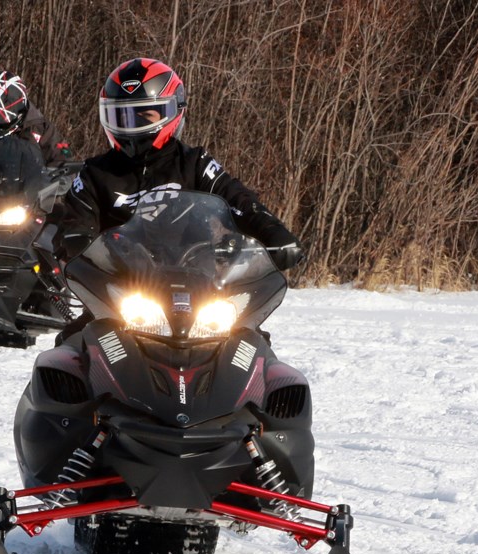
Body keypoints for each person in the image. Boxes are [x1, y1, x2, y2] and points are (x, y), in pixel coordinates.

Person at [50, 58, 304, 343]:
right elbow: (75, 220)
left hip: (200, 292)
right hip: (121, 295)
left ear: (173, 112)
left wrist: (273, 234)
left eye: (145, 116)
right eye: (123, 117)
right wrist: (76, 243)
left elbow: (240, 201)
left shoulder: (195, 164)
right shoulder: (96, 172)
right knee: (67, 352)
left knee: (256, 352)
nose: (133, 127)